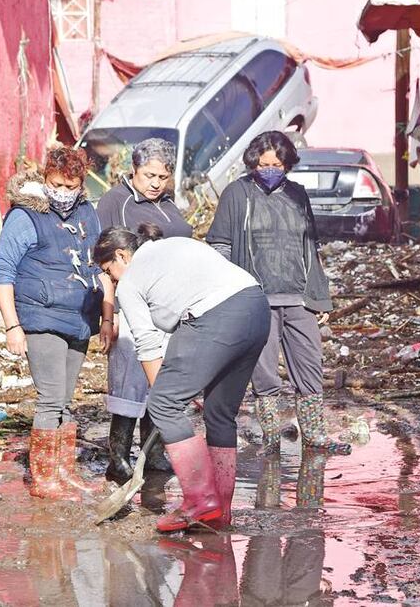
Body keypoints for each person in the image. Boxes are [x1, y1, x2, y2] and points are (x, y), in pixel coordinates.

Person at [94, 225, 269, 532]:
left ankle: (200, 499)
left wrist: (163, 398)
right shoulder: (175, 244)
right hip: (256, 307)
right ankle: (220, 511)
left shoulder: (130, 282)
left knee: (163, 404)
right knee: (219, 413)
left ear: (122, 255)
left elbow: (147, 344)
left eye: (109, 271)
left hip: (217, 316)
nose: (112, 280)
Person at [206, 131, 351, 456]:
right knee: (264, 373)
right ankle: (271, 439)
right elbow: (220, 246)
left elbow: (310, 247)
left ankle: (315, 436)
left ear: (287, 164)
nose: (270, 170)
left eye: (277, 165)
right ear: (253, 163)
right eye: (264, 164)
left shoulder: (298, 194)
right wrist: (228, 296)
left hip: (299, 299)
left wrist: (319, 295)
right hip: (256, 301)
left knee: (310, 366)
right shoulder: (237, 193)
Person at [0, 146, 110, 501]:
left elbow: (99, 267)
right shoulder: (25, 215)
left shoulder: (87, 213)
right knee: (50, 400)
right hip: (41, 317)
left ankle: (65, 473)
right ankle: (44, 481)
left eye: (70, 186)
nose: (62, 193)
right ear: (45, 178)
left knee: (66, 402)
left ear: (81, 184)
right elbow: (3, 271)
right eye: (56, 184)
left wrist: (107, 316)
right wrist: (12, 326)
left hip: (80, 318)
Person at [95, 138, 191, 484]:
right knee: (129, 382)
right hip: (131, 306)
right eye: (149, 175)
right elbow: (102, 262)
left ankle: (154, 453)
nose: (155, 183)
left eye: (162, 177)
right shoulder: (115, 202)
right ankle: (118, 457)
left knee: (158, 379)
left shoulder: (168, 203)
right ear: (133, 169)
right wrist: (109, 315)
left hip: (168, 305)